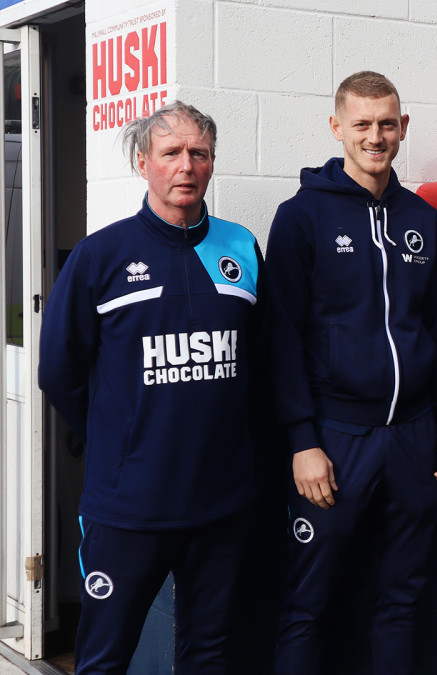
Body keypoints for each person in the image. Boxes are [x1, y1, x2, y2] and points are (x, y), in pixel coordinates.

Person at [39, 102, 262, 673]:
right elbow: (59, 370)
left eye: (199, 153)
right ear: (144, 163)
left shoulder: (241, 247)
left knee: (209, 655)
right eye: (171, 153)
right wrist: (121, 437)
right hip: (128, 507)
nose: (185, 165)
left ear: (212, 163)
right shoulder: (100, 256)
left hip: (221, 503)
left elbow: (262, 363)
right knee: (103, 658)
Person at [267, 71, 437, 674]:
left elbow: (436, 328)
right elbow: (281, 338)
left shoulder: (420, 218)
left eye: (386, 123)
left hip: (413, 435)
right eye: (362, 124)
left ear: (402, 127)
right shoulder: (302, 216)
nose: (375, 136)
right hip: (337, 436)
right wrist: (303, 441)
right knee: (310, 600)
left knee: (401, 598)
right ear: (337, 128)